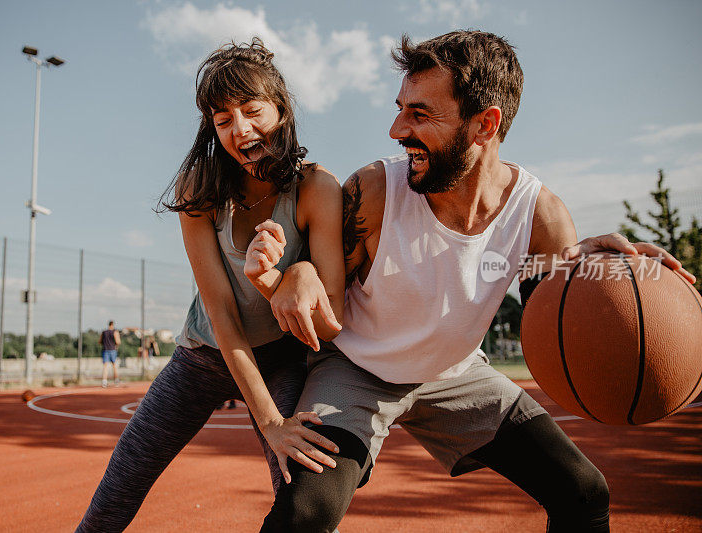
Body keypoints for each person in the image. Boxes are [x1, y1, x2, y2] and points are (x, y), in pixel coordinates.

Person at [257, 31, 696, 532]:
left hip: (453, 374)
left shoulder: (541, 215)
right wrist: (299, 269)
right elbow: (318, 283)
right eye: (401, 108)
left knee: (583, 492)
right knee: (304, 513)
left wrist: (596, 274)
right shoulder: (375, 191)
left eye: (420, 115)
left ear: (485, 124)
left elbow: (548, 324)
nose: (397, 128)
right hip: (357, 367)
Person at [76, 38, 344, 532]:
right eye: (223, 120)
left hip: (283, 359)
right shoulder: (200, 188)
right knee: (114, 498)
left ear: (281, 110)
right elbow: (221, 312)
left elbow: (332, 319)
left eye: (251, 110)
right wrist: (269, 422)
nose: (239, 128)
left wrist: (290, 275)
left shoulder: (316, 188)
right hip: (204, 355)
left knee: (301, 501)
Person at [99, 320, 120, 388]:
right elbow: (118, 341)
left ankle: (104, 381)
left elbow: (99, 341)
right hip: (112, 350)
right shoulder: (115, 332)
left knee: (105, 366)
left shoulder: (104, 332)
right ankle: (116, 380)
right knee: (114, 366)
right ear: (113, 325)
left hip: (105, 350)